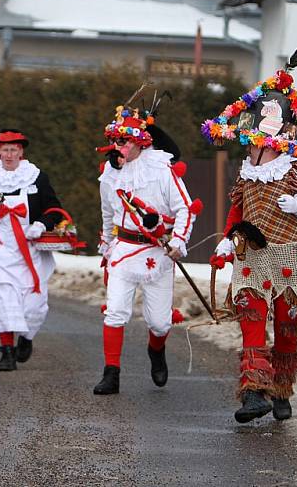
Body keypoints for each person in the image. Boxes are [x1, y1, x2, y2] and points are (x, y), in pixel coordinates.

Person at [204, 51, 297, 423]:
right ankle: (252, 394)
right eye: (263, 117)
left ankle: (280, 389)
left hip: (290, 256)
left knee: (285, 326)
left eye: (275, 118)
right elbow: (237, 206)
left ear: (287, 123)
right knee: (250, 316)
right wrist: (227, 238)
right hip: (253, 255)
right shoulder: (248, 167)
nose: (268, 124)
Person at [94, 89, 198, 396]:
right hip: (123, 251)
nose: (118, 146)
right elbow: (107, 213)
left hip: (158, 252)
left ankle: (157, 349)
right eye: (116, 140)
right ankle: (111, 373)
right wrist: (106, 243)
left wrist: (178, 241)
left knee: (160, 323)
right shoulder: (109, 176)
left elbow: (185, 209)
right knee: (115, 311)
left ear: (140, 141)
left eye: (124, 141)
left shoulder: (162, 170)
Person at [0, 130, 63, 371]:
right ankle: (6, 352)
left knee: (35, 305)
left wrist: (41, 224)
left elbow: (54, 209)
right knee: (3, 300)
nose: (9, 155)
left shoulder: (36, 177)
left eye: (14, 150)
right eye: (5, 150)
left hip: (30, 246)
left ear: (21, 151)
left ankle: (27, 337)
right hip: (0, 247)